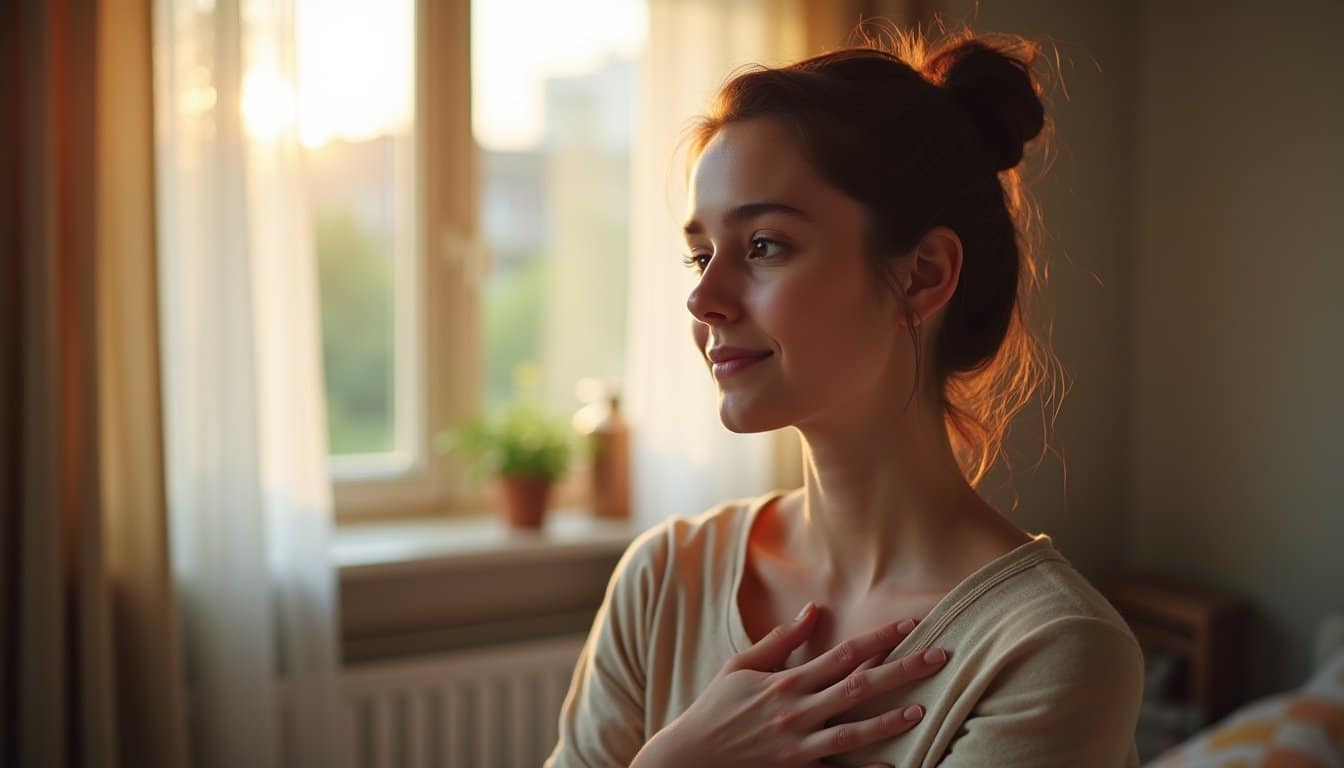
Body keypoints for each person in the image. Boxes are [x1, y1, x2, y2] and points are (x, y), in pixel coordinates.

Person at [545, 27, 1143, 768]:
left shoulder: (1050, 650)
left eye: (763, 244)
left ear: (923, 275)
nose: (703, 297)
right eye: (701, 255)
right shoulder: (663, 580)